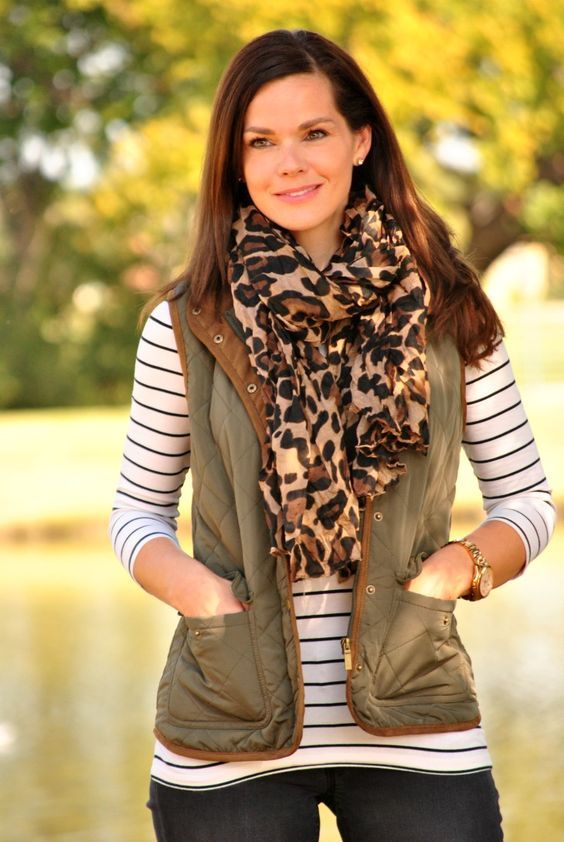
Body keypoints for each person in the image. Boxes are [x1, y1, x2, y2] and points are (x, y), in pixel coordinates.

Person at [110, 29, 556, 842]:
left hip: (418, 718)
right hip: (229, 729)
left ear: (359, 139)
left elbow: (527, 498)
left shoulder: (452, 311)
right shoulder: (185, 324)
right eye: (262, 142)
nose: (291, 163)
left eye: (314, 133)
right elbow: (135, 514)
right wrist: (204, 599)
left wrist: (455, 572)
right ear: (235, 163)